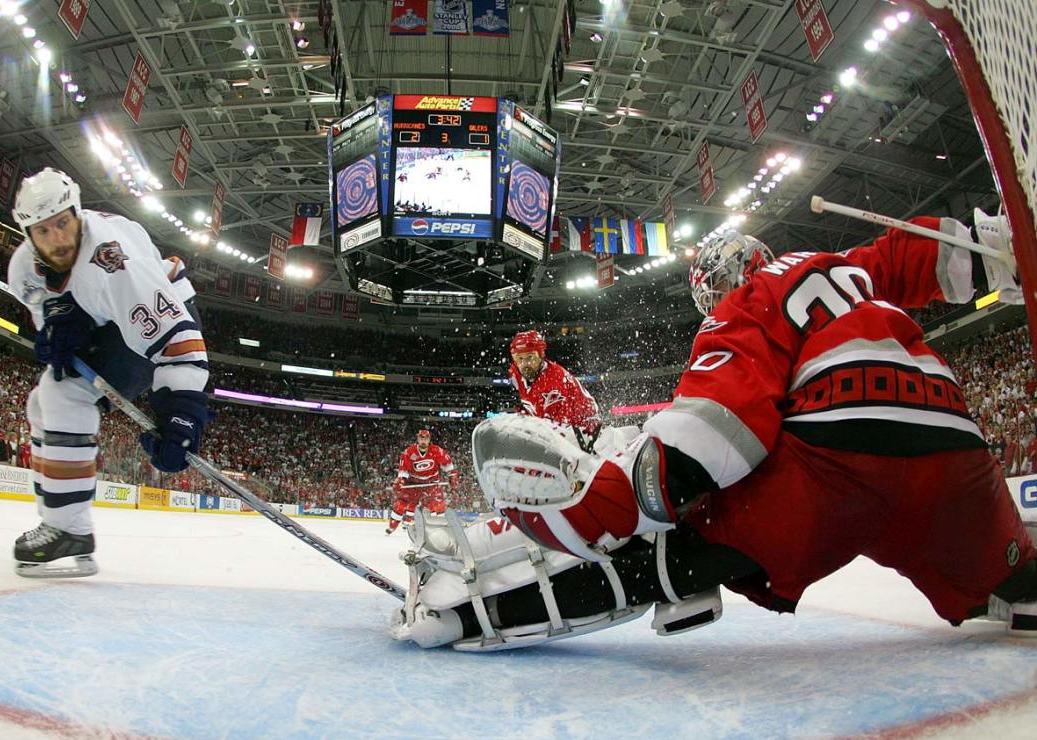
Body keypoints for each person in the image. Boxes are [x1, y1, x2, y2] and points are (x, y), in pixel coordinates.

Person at [407, 210, 1034, 650]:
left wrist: (586, 514)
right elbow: (916, 252)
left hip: (837, 463)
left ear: (728, 276)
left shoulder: (749, 300)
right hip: (956, 452)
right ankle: (1012, 581)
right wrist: (999, 250)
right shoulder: (842, 268)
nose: (712, 304)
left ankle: (471, 614)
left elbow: (708, 440)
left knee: (673, 542)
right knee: (1011, 577)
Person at [7, 168, 210, 578]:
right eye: (43, 231)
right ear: (28, 234)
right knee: (43, 402)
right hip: (107, 320)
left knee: (64, 393)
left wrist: (182, 414)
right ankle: (61, 522)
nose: (58, 239)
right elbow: (47, 315)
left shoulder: (111, 264)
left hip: (168, 309)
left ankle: (69, 529)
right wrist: (57, 332)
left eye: (63, 223)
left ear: (77, 213)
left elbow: (179, 341)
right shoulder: (24, 270)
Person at [508, 330, 601, 432]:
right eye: (520, 358)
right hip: (562, 423)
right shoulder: (515, 372)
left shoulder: (553, 383)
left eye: (530, 357)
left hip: (584, 427)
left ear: (541, 355)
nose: (525, 364)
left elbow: (555, 432)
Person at [386, 428, 458, 535]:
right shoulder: (409, 452)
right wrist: (400, 481)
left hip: (431, 483)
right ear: (418, 439)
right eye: (421, 438)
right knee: (401, 504)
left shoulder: (437, 451)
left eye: (426, 438)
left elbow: (448, 465)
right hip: (413, 483)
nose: (423, 441)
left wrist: (452, 476)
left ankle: (439, 530)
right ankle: (392, 527)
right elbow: (403, 470)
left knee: (438, 505)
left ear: (429, 439)